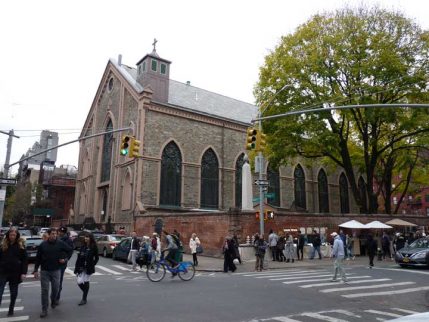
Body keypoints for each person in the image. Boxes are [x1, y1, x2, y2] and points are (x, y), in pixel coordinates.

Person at [33, 228, 73, 318]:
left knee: (56, 288)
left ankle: (53, 300)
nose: (54, 235)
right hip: (44, 271)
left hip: (56, 270)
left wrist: (65, 259)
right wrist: (35, 270)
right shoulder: (43, 245)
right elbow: (38, 258)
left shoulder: (60, 243)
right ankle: (44, 309)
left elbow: (70, 250)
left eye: (56, 234)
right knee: (44, 291)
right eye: (53, 234)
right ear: (49, 234)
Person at [0, 227, 28, 317]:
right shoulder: (3, 245)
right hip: (3, 271)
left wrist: (24, 272)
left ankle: (11, 308)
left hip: (15, 272)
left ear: (17, 236)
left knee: (13, 292)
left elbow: (25, 260)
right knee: (0, 292)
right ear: (8, 235)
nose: (12, 236)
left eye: (14, 235)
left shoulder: (20, 246)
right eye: (11, 235)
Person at [74, 233, 99, 306]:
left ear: (90, 238)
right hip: (81, 266)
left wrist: (92, 264)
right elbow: (78, 258)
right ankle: (85, 292)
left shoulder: (93, 247)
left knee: (86, 281)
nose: (86, 239)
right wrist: (76, 268)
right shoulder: (82, 246)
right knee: (79, 282)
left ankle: (84, 298)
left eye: (87, 237)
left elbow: (97, 258)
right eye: (85, 237)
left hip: (88, 268)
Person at [56, 226, 74, 303]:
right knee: (55, 281)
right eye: (60, 232)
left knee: (59, 281)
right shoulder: (56, 239)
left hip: (62, 263)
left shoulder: (68, 240)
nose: (60, 233)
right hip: (54, 262)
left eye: (61, 232)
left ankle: (57, 297)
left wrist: (66, 259)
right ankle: (55, 295)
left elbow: (70, 251)